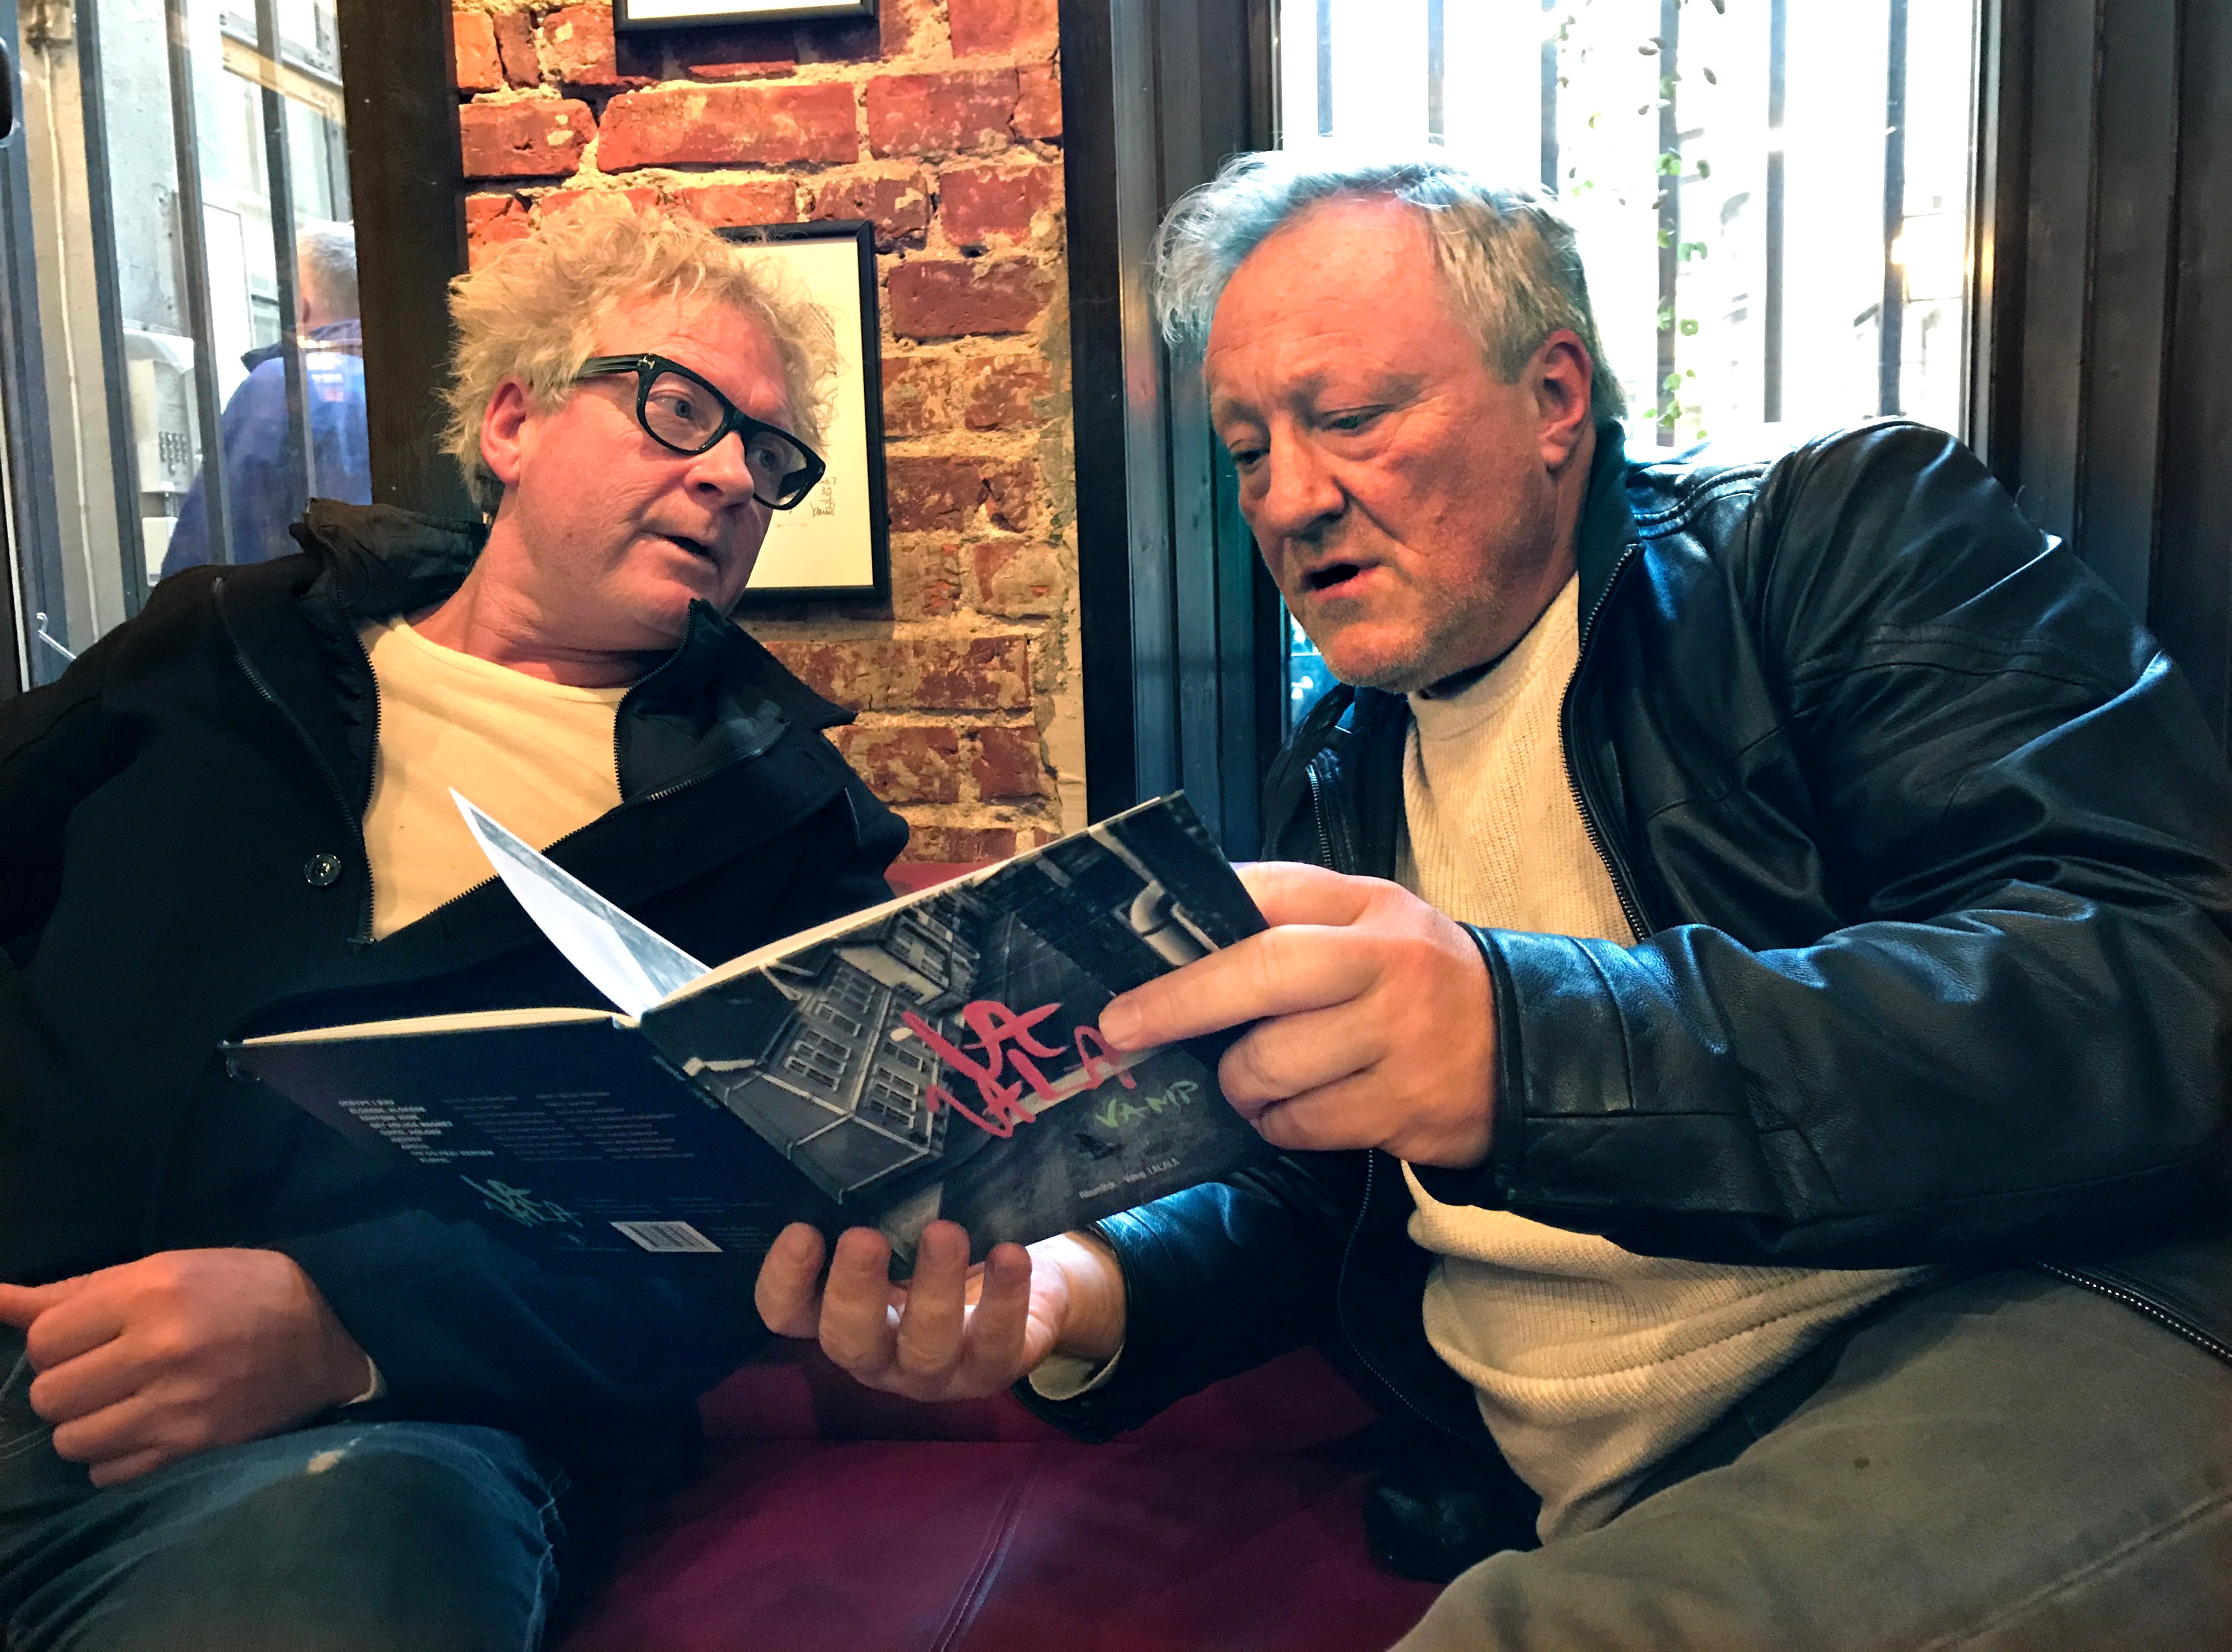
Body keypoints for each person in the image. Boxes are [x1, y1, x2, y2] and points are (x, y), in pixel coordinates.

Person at [757, 153, 2232, 1648]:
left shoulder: (1835, 537)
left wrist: (1525, 1046)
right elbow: (1319, 1191)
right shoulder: (1339, 765)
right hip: (1611, 1496)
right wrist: (1083, 1286)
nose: (1289, 500)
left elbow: (2171, 969)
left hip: (2014, 1335)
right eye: (1248, 449)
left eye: (1350, 418)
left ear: (1554, 400)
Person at [0, 199, 905, 1649]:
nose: (735, 477)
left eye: (770, 457)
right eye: (683, 410)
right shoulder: (222, 645)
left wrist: (348, 1325)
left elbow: (755, 1239)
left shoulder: (786, 824)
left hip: (371, 1448)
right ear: (512, 421)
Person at [161, 220, 374, 574]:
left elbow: (208, 544)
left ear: (300, 306)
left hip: (301, 600)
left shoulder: (282, 384)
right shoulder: (406, 383)